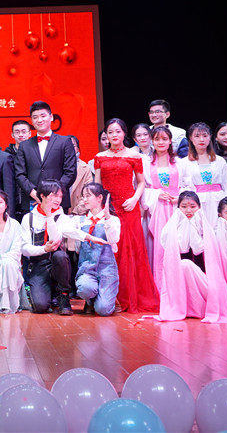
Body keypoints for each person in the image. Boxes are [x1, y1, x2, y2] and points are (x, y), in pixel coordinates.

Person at [94, 118, 159, 313]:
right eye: (110, 132)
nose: (114, 135)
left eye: (117, 131)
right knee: (110, 251)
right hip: (108, 208)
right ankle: (111, 297)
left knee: (130, 251)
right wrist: (101, 208)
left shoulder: (134, 155)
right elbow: (97, 186)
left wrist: (134, 200)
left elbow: (141, 183)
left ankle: (129, 296)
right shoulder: (100, 157)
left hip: (129, 207)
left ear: (124, 134)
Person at [21, 180, 103, 314]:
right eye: (54, 195)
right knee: (40, 307)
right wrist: (43, 249)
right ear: (42, 196)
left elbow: (58, 239)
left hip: (56, 263)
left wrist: (49, 216)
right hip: (38, 265)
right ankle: (50, 292)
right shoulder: (28, 218)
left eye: (60, 196)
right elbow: (24, 249)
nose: (58, 200)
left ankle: (63, 295)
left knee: (60, 256)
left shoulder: (61, 217)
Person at [14, 101, 78, 218]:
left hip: (58, 200)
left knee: (57, 230)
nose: (39, 120)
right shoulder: (24, 145)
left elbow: (70, 172)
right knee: (32, 229)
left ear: (51, 117)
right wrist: (35, 194)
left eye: (43, 116)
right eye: (35, 117)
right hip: (32, 200)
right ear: (31, 121)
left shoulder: (65, 142)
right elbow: (20, 174)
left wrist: (54, 194)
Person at [139, 126, 182, 286]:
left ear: (170, 141)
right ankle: (157, 285)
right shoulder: (146, 163)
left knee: (176, 245)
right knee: (155, 247)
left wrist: (180, 197)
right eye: (157, 139)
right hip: (155, 210)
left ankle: (175, 284)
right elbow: (141, 187)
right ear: (152, 141)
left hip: (176, 209)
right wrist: (156, 194)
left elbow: (189, 186)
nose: (161, 142)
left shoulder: (180, 162)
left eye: (164, 139)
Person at [158, 191, 209, 320]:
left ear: (199, 207)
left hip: (202, 270)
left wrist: (193, 226)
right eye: (184, 206)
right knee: (185, 265)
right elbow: (176, 246)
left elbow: (198, 248)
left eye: (193, 206)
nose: (188, 210)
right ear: (178, 208)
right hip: (179, 272)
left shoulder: (203, 223)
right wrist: (186, 225)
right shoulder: (173, 224)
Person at [74, 183, 119, 316]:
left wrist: (108, 218)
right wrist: (88, 237)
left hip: (107, 269)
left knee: (103, 310)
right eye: (83, 196)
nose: (84, 200)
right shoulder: (80, 220)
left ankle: (107, 298)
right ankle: (90, 299)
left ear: (100, 198)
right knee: (85, 288)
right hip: (87, 268)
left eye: (88, 196)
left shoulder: (113, 219)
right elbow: (65, 231)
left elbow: (114, 239)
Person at [178, 122, 227, 224]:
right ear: (190, 138)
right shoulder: (184, 162)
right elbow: (181, 185)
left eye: (205, 135)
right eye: (197, 136)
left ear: (210, 137)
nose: (201, 139)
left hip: (218, 200)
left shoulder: (219, 161)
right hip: (197, 202)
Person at [67, 135, 93, 213]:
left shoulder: (86, 168)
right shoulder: (55, 166)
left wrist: (76, 211)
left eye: (73, 145)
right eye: (67, 145)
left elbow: (88, 193)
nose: (70, 148)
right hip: (58, 212)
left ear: (78, 149)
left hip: (79, 213)